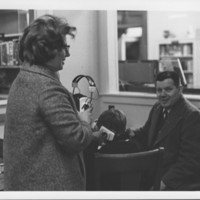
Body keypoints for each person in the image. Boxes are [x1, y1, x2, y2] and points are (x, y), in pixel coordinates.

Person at [3, 14, 99, 191]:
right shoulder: (48, 88)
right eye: (63, 47)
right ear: (45, 49)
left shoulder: (23, 78)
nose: (68, 53)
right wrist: (84, 119)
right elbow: (76, 140)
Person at [129, 71, 200, 190]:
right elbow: (146, 133)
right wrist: (129, 133)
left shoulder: (192, 115)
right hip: (154, 174)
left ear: (180, 89)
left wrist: (163, 183)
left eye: (168, 89)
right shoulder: (157, 107)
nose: (162, 94)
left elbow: (189, 161)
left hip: (176, 182)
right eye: (159, 90)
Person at [84, 107, 143, 190]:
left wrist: (93, 137)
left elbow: (87, 175)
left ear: (103, 131)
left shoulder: (100, 153)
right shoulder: (135, 146)